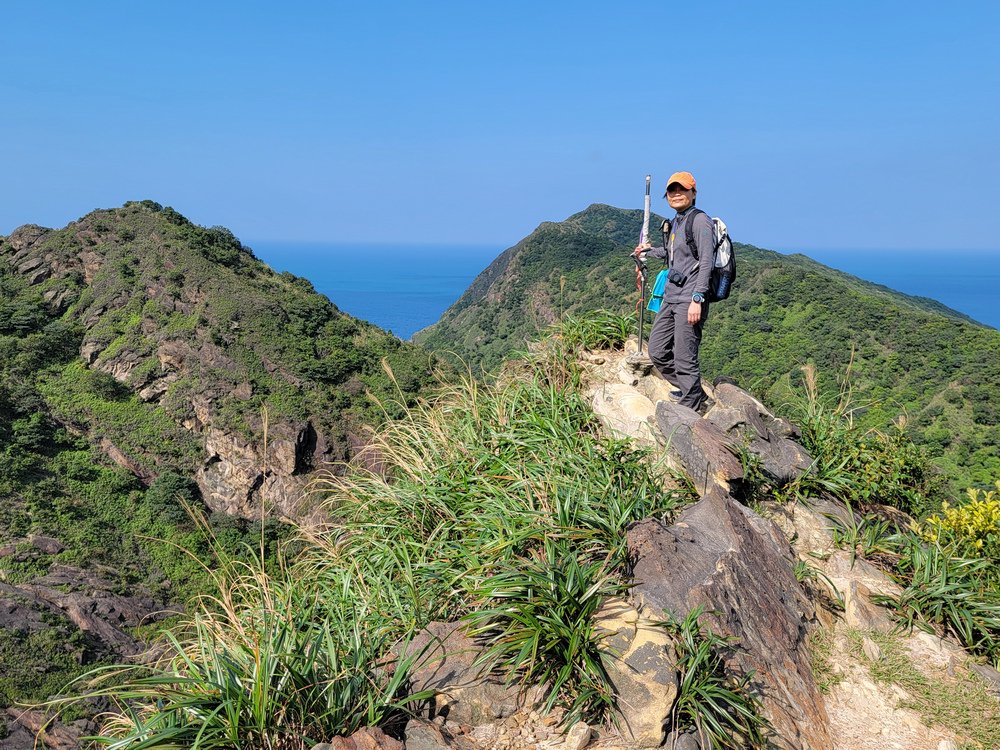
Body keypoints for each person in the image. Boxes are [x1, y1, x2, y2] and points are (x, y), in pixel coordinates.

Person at [633, 171, 714, 412]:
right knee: (657, 351)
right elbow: (673, 256)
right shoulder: (676, 221)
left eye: (682, 189)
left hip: (689, 298)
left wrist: (697, 299)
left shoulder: (700, 221)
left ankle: (691, 408)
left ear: (693, 193)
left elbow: (706, 262)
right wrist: (647, 252)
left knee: (684, 356)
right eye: (672, 190)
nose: (676, 194)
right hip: (670, 296)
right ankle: (692, 390)